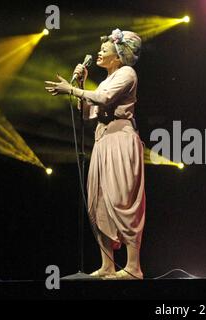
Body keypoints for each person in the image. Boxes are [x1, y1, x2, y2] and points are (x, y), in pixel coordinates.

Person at [45, 29, 146, 280]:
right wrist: (79, 85)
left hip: (121, 140)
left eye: (105, 48)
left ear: (119, 54)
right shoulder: (104, 80)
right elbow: (88, 112)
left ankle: (133, 267)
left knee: (122, 200)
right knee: (98, 200)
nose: (100, 51)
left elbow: (104, 98)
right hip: (102, 140)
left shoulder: (127, 73)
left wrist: (73, 90)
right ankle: (107, 266)